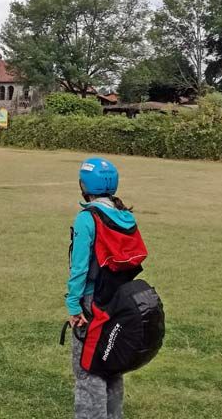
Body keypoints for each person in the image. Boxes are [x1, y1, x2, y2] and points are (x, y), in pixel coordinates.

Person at [66, 157, 136, 419]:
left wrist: (73, 305)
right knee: (112, 362)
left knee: (88, 369)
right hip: (119, 301)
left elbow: (79, 268)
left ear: (84, 185)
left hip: (91, 302)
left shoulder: (87, 218)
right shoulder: (125, 215)